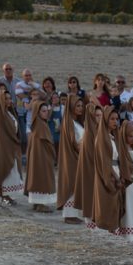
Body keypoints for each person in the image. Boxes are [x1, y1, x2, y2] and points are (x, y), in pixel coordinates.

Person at [90, 107, 123, 232]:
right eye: (112, 119)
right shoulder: (102, 138)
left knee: (115, 206)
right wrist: (116, 177)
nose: (115, 122)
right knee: (107, 204)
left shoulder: (112, 137)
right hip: (108, 175)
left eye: (117, 119)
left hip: (115, 172)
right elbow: (105, 162)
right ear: (106, 120)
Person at [0, 88, 24, 206]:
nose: (9, 101)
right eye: (6, 99)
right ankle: (4, 196)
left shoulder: (9, 113)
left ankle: (8, 195)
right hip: (5, 148)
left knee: (13, 171)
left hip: (12, 147)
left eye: (10, 98)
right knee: (6, 171)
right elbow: (1, 135)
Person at [24, 99, 56, 213]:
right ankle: (41, 204)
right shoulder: (40, 125)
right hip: (42, 159)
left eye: (47, 111)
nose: (46, 113)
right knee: (42, 178)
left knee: (37, 177)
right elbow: (47, 143)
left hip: (39, 158)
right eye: (43, 111)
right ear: (37, 112)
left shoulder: (38, 124)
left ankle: (37, 203)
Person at [57, 94, 85, 224]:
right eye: (77, 106)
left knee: (76, 185)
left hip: (79, 157)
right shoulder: (69, 122)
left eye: (81, 105)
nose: (80, 108)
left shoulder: (75, 122)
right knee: (72, 184)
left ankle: (74, 213)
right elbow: (74, 142)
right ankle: (69, 215)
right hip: (72, 157)